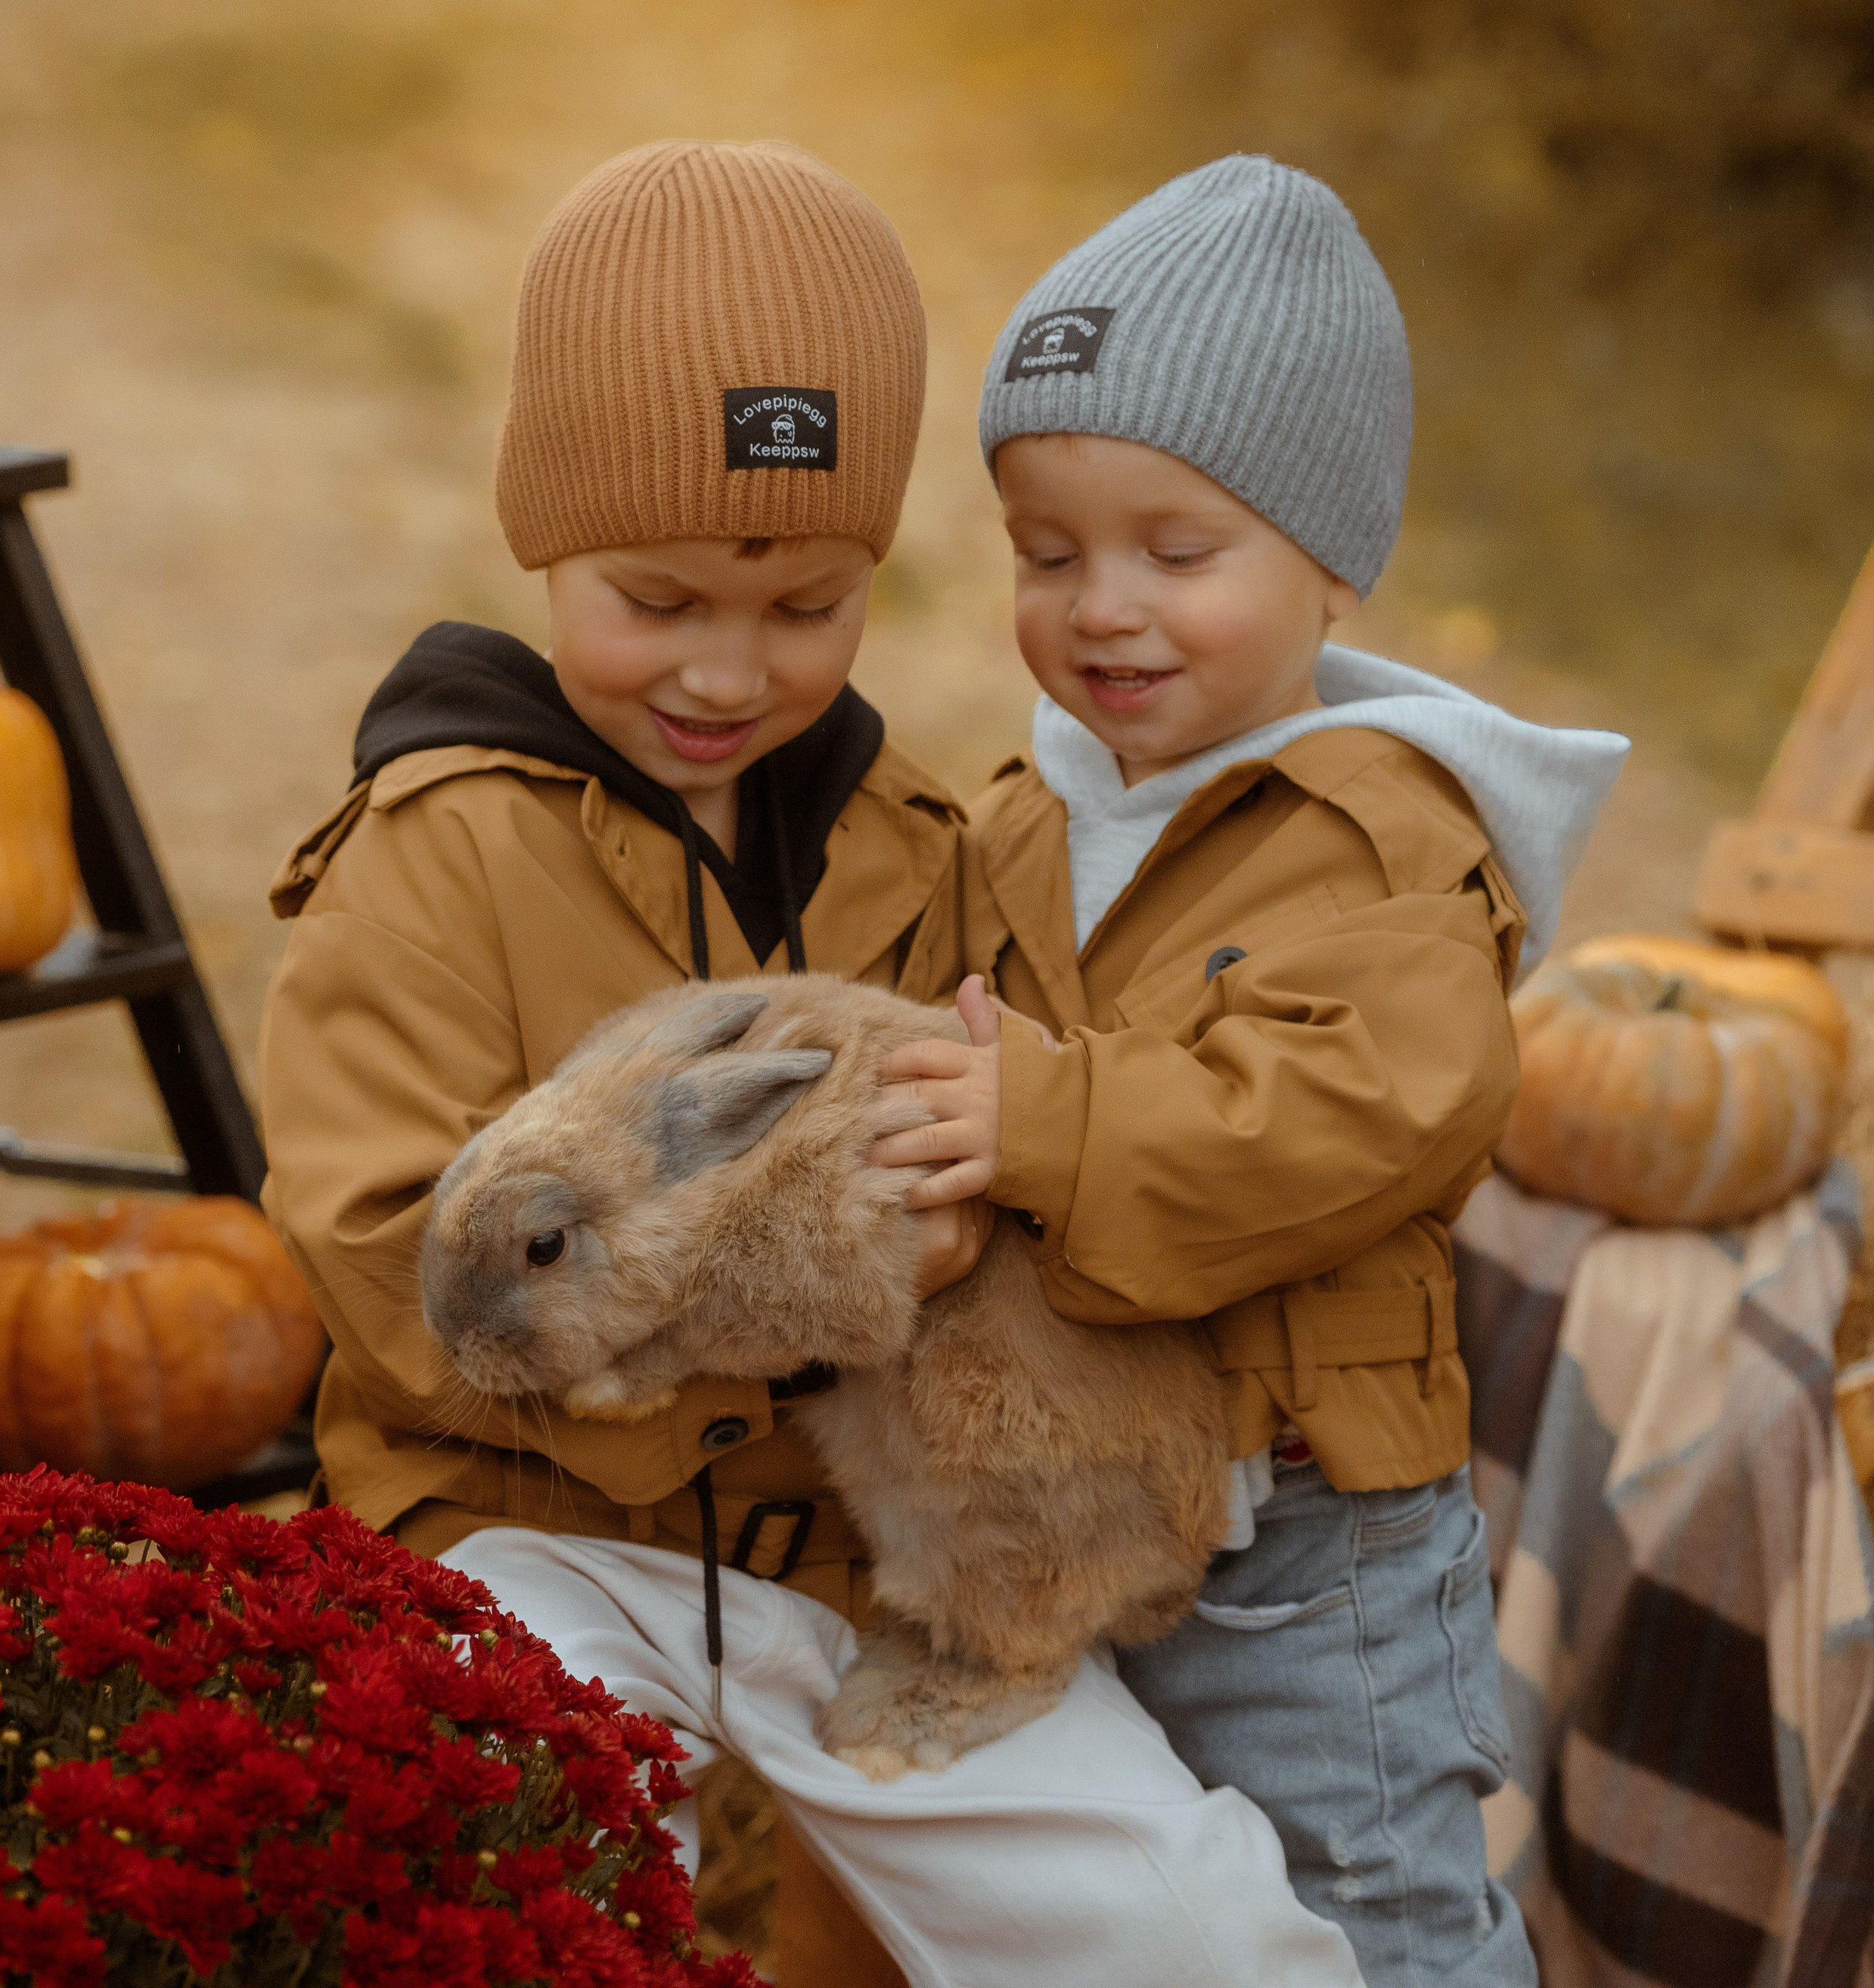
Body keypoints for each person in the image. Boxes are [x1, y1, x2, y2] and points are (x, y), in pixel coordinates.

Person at [259, 137, 1364, 1988]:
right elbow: (393, 1265)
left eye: (804, 608)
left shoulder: (917, 842)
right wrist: (798, 1309)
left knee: (1193, 1936)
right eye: (657, 600)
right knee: (513, 1875)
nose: (727, 674)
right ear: (541, 537)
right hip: (522, 1527)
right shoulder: (433, 849)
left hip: (862, 1553)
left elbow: (1004, 1169)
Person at [874, 155, 1626, 1986]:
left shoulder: (1383, 841)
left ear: (1330, 560)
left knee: (1365, 1917)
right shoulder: (1022, 816)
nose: (1100, 609)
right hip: (1067, 1505)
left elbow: (1354, 1116)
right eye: (1047, 554)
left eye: (1174, 552)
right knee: (1132, 1929)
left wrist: (1042, 1119)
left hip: (1303, 1546)